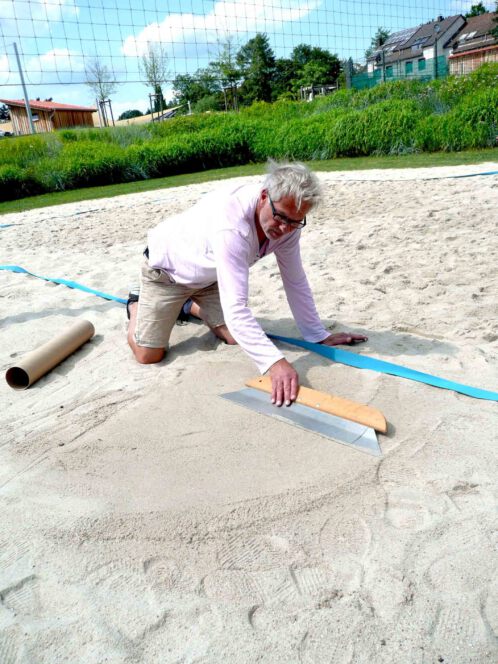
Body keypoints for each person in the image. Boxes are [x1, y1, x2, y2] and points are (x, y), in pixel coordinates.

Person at [127, 161, 367, 406]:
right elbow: (237, 309)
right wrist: (275, 364)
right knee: (149, 355)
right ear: (264, 196)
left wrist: (317, 335)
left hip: (211, 276)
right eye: (281, 217)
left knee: (235, 336)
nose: (285, 229)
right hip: (168, 273)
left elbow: (295, 280)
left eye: (295, 221)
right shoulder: (232, 225)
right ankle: (137, 303)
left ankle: (187, 306)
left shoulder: (289, 222)